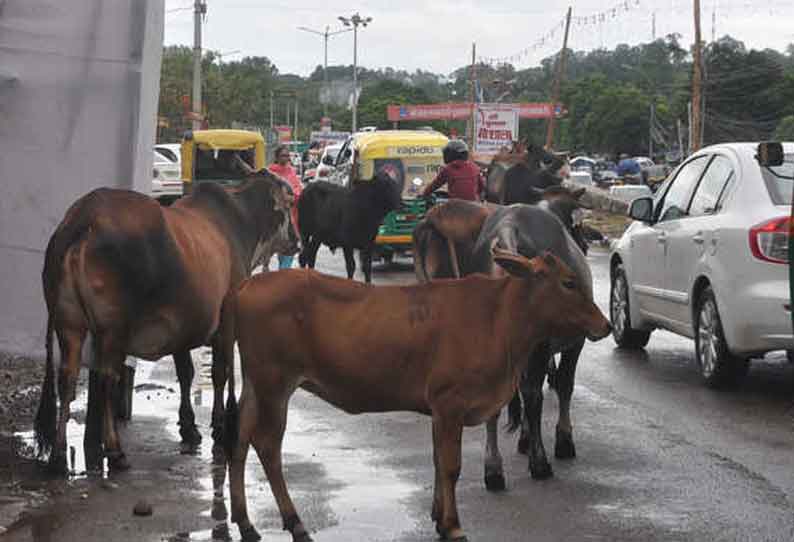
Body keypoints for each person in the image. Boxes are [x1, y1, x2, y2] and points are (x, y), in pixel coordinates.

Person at [268, 145, 302, 269]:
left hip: (291, 217)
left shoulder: (291, 171)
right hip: (274, 217)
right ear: (277, 157)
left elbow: (298, 189)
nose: (286, 158)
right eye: (283, 155)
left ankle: (283, 274)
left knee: (289, 248)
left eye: (288, 155)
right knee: (272, 250)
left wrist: (293, 198)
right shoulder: (270, 172)